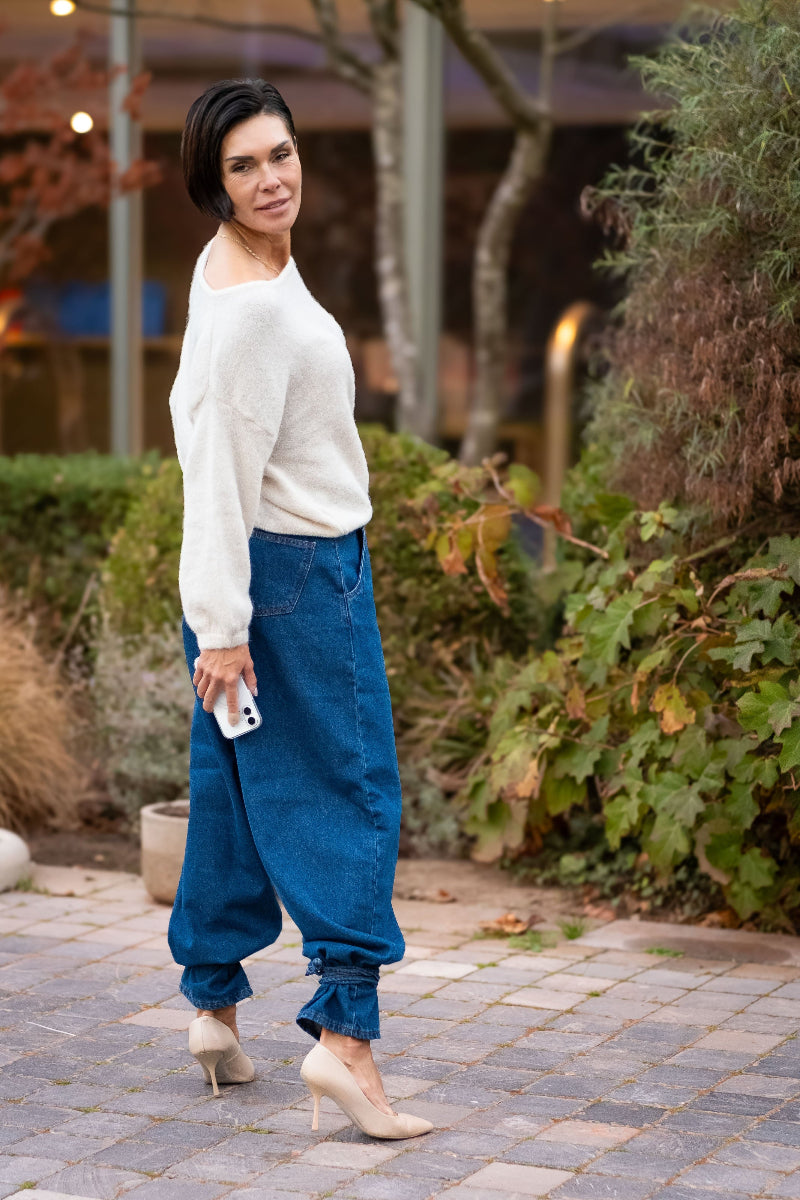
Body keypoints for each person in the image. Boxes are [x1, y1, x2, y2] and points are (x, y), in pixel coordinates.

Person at [166, 78, 432, 1141]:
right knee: (351, 794)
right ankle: (348, 1045)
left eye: (279, 154)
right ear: (211, 181)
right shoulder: (252, 314)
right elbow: (216, 469)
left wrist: (218, 617)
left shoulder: (244, 263)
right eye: (243, 166)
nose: (272, 179)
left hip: (243, 583)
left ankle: (214, 1009)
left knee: (232, 793)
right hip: (294, 580)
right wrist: (225, 626)